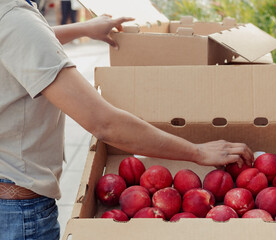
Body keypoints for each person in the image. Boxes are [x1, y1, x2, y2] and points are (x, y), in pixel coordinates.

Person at [0, 0, 254, 239]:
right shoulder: (15, 19)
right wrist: (197, 151)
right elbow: (104, 123)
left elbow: (22, 40)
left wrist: (83, 29)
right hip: (16, 211)